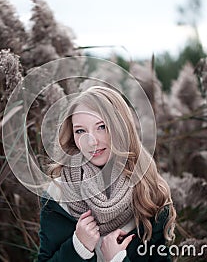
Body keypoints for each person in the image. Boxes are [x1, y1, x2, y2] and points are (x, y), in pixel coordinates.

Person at [37, 86, 176, 262]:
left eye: (101, 127)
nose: (91, 141)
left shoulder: (150, 193)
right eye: (80, 131)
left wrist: (117, 260)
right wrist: (78, 247)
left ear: (121, 128)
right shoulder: (57, 194)